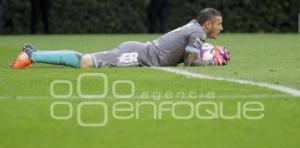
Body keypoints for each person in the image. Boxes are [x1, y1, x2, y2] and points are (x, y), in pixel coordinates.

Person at [11, 8, 230, 69]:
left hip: (140, 54)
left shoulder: (194, 29)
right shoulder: (198, 33)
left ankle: (34, 54)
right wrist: (212, 61)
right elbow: (190, 63)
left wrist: (207, 54)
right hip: (139, 54)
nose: (221, 27)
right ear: (208, 24)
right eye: (218, 23)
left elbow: (186, 56)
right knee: (85, 62)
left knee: (85, 62)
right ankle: (33, 54)